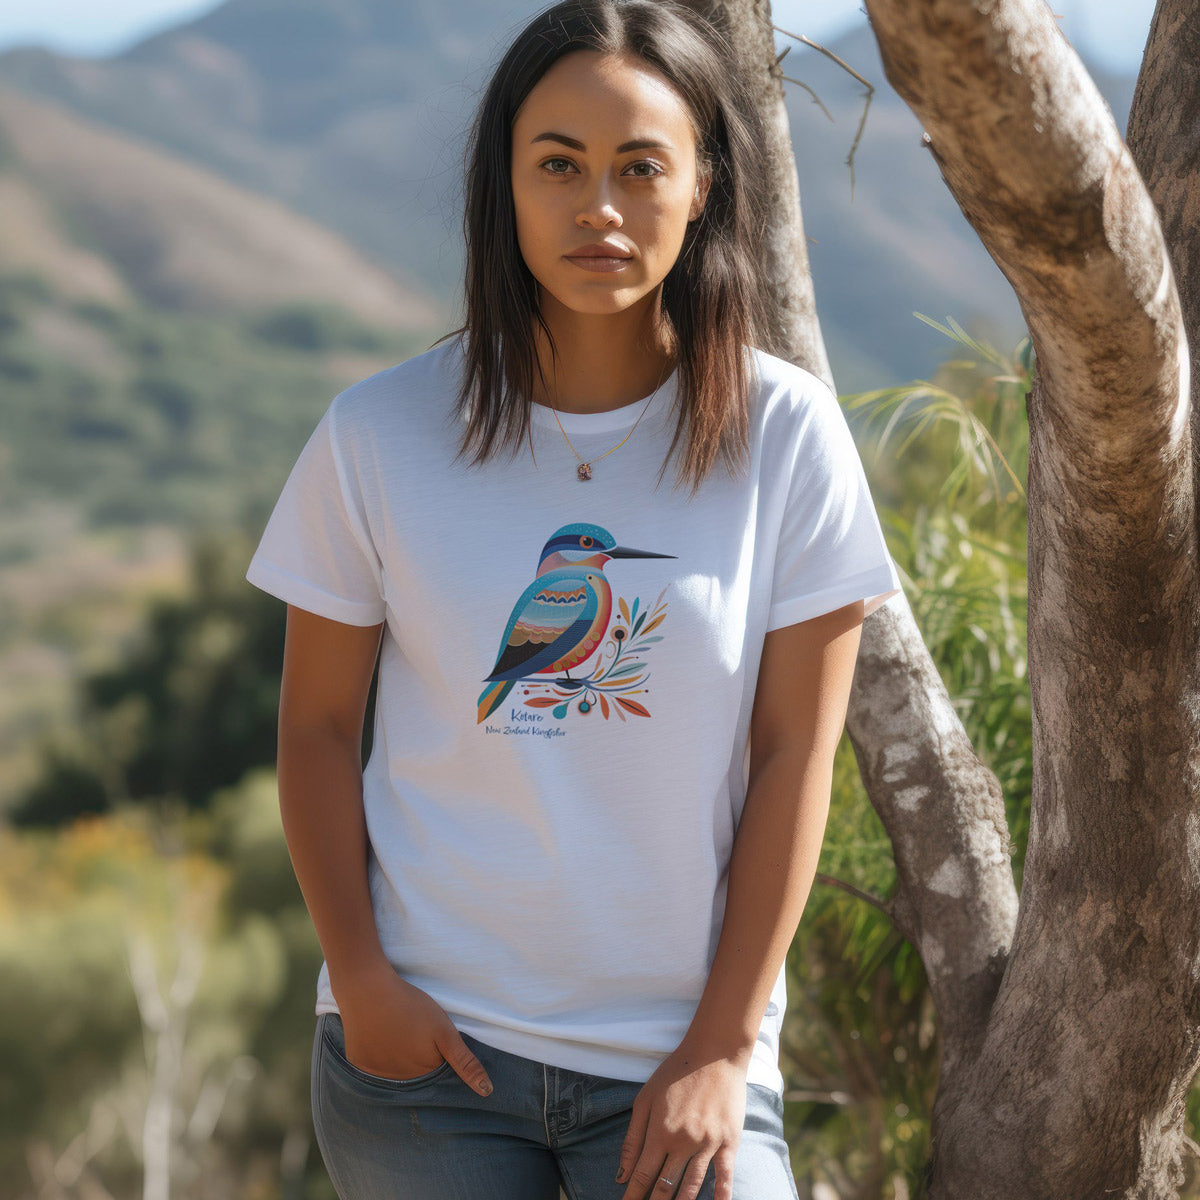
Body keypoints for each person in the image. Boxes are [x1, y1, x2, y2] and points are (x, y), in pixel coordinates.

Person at [245, 0, 902, 1197]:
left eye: (640, 167)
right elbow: (316, 730)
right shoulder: (378, 435)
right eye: (558, 165)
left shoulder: (786, 436)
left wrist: (721, 1044)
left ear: (703, 185)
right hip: (429, 1060)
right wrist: (365, 979)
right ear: (506, 185)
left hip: (685, 1059)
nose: (599, 207)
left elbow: (798, 752)